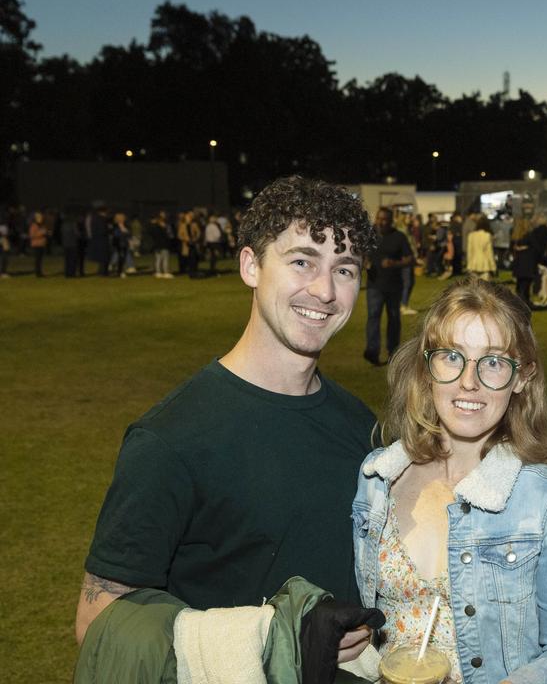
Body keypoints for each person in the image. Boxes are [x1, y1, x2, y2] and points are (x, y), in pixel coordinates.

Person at [76, 176, 382, 675]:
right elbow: (97, 622)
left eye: (344, 269)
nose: (325, 291)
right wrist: (273, 637)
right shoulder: (169, 439)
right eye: (302, 261)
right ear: (250, 266)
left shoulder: (361, 425)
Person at [353, 277, 547, 684]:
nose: (470, 381)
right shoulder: (377, 479)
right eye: (452, 356)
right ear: (426, 366)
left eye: (494, 362)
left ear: (522, 378)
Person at [365, 207, 416, 366]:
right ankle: (372, 351)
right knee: (373, 317)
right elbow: (359, 252)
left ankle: (393, 352)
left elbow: (410, 259)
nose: (382, 222)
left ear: (391, 220)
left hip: (394, 286)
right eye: (379, 219)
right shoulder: (369, 235)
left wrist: (395, 263)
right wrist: (364, 261)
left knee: (394, 319)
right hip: (374, 285)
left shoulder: (399, 237)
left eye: (385, 219)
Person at [464, 215, 496, 281]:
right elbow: (489, 252)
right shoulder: (487, 235)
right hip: (485, 263)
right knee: (485, 287)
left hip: (473, 262)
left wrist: (469, 264)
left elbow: (470, 251)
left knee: (474, 286)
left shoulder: (471, 235)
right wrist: (493, 266)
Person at [28, 211, 49, 277]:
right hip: (36, 245)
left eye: (41, 217)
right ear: (36, 218)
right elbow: (32, 235)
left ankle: (40, 272)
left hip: (41, 244)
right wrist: (42, 233)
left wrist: (46, 233)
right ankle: (38, 273)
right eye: (39, 217)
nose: (41, 218)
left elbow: (44, 232)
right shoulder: (33, 225)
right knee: (37, 260)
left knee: (40, 259)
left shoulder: (42, 225)